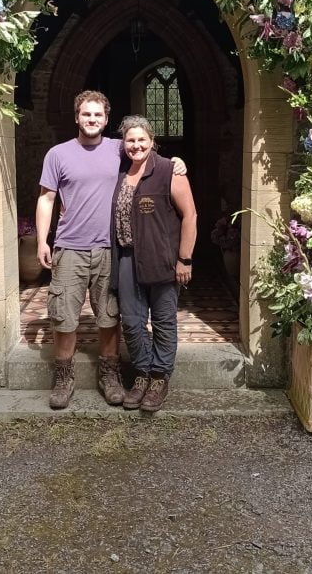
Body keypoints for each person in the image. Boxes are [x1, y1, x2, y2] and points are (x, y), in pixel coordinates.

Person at [36, 91, 186, 410]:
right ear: (77, 117)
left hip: (109, 249)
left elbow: (144, 151)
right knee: (64, 317)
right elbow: (46, 198)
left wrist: (176, 162)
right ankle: (63, 378)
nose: (92, 120)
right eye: (86, 114)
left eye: (98, 115)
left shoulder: (117, 149)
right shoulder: (57, 154)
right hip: (70, 247)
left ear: (106, 119)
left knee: (109, 317)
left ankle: (110, 375)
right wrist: (41, 241)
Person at [111, 115, 197, 413]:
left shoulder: (169, 170)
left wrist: (184, 259)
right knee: (132, 323)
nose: (136, 145)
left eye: (141, 140)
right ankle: (143, 373)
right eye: (130, 140)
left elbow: (190, 216)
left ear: (152, 141)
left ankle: (160, 377)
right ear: (123, 144)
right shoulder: (119, 171)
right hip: (126, 258)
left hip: (161, 258)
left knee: (163, 322)